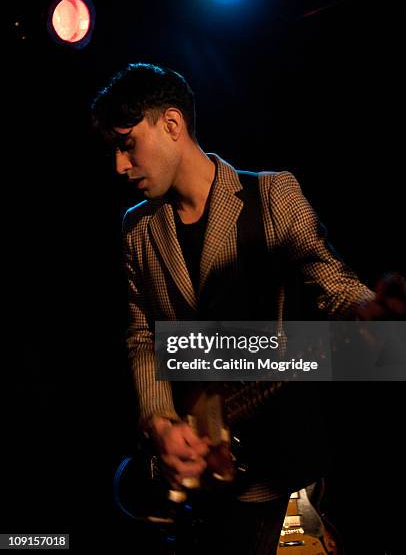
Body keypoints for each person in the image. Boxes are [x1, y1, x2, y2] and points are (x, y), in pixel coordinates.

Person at [91, 63, 404, 554]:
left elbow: (333, 284)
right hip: (209, 498)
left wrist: (372, 312)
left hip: (291, 480)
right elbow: (141, 337)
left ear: (172, 125)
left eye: (127, 143)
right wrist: (160, 422)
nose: (118, 165)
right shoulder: (137, 229)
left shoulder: (273, 194)